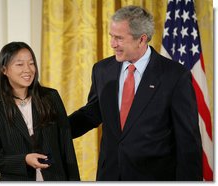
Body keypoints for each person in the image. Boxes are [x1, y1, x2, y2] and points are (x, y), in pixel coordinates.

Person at [69, 6, 202, 181]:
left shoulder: (174, 76)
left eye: (119, 38)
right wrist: (53, 131)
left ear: (142, 39)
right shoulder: (102, 70)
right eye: (111, 36)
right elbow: (93, 113)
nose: (112, 44)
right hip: (110, 176)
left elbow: (188, 141)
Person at [0, 41, 80, 181]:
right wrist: (24, 160)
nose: (28, 69)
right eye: (19, 64)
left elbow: (66, 147)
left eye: (31, 63)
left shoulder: (50, 97)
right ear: (4, 70)